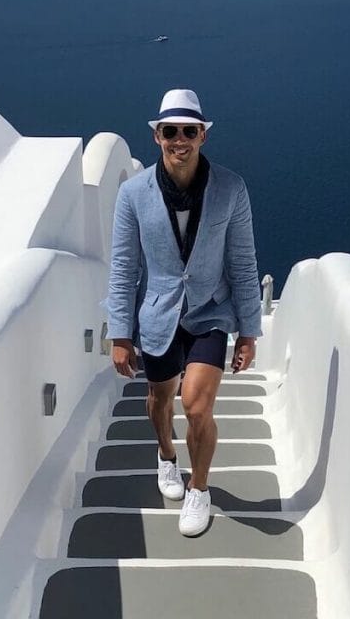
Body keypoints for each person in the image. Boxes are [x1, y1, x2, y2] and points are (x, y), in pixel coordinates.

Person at [106, 88, 261, 537]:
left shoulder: (231, 188)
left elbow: (243, 262)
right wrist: (120, 334)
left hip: (211, 312)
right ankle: (166, 455)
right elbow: (123, 267)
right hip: (157, 316)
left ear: (202, 136)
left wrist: (249, 330)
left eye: (188, 131)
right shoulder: (133, 194)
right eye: (170, 131)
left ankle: (199, 488)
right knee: (159, 400)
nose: (180, 139)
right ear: (157, 137)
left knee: (196, 404)